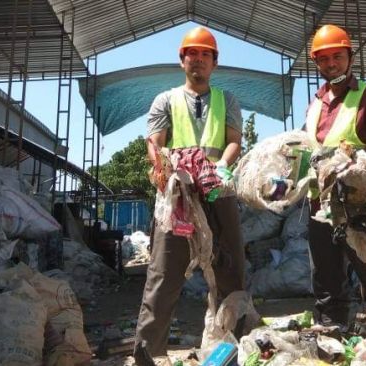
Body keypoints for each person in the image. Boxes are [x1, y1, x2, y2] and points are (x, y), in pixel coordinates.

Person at [134, 26, 246, 365]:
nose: (198, 59)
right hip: (178, 196)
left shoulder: (227, 100)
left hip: (217, 193)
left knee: (230, 268)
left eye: (205, 54)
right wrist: (170, 171)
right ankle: (147, 353)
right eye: (191, 54)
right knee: (165, 273)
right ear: (182, 61)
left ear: (214, 62)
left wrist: (222, 166)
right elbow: (155, 144)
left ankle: (236, 347)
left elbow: (233, 140)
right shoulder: (165, 100)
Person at [305, 24, 366, 342]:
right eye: (323, 59)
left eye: (337, 56)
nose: (331, 64)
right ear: (317, 63)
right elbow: (309, 150)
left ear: (350, 57)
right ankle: (332, 335)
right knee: (325, 275)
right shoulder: (315, 104)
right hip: (319, 202)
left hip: (359, 203)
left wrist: (359, 168)